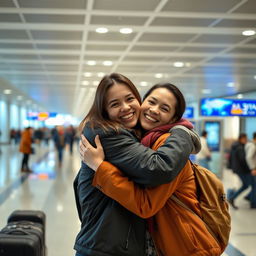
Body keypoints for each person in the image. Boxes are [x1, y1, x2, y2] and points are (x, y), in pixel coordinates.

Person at [80, 83, 222, 256]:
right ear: (142, 102)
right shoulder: (140, 142)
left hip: (186, 246)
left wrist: (100, 168)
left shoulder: (169, 149)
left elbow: (145, 204)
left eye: (164, 108)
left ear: (172, 119)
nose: (154, 110)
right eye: (152, 102)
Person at [228, 133, 252, 209]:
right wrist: (250, 169)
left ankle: (232, 197)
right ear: (241, 139)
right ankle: (232, 197)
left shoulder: (235, 146)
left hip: (237, 169)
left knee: (246, 185)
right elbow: (243, 160)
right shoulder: (240, 147)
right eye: (245, 139)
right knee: (247, 185)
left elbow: (231, 158)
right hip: (242, 170)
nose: (246, 140)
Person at [245, 132, 256, 208]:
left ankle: (249, 197)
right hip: (253, 169)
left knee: (253, 185)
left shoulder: (249, 144)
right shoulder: (253, 146)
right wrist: (252, 168)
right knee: (254, 186)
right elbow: (249, 157)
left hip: (250, 168)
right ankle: (253, 203)